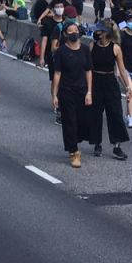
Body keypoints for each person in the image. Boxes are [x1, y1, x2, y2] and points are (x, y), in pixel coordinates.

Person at [50, 22, 93, 168]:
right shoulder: (61, 51)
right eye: (70, 30)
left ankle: (76, 142)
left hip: (82, 91)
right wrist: (54, 95)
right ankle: (73, 152)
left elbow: (88, 71)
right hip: (66, 91)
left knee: (83, 121)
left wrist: (89, 91)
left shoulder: (85, 50)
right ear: (65, 34)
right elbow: (57, 73)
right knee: (70, 122)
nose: (74, 32)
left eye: (76, 30)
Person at [88, 21, 130, 159]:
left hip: (110, 82)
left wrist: (128, 87)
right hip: (96, 81)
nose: (96, 33)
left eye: (99, 31)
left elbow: (122, 70)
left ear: (105, 33)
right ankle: (97, 144)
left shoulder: (115, 48)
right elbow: (87, 68)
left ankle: (117, 146)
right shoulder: (92, 45)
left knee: (115, 114)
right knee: (95, 114)